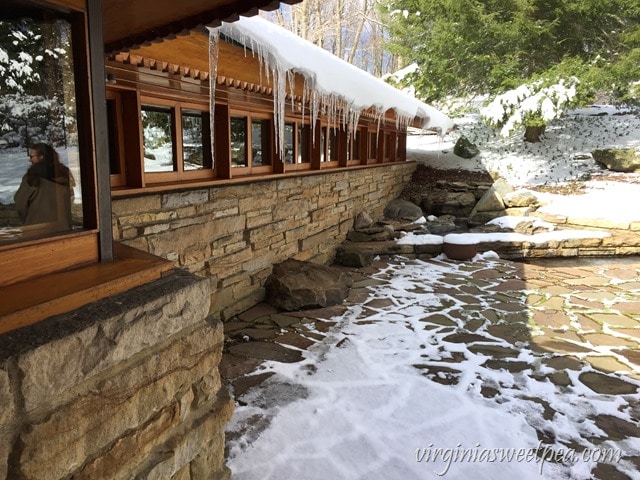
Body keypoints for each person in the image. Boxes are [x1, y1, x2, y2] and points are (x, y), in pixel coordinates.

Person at [14, 143, 74, 231]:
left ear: (41, 157)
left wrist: (28, 221)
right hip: (62, 230)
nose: (29, 160)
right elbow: (70, 199)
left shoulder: (32, 177)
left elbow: (20, 205)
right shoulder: (64, 174)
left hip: (37, 232)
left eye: (31, 156)